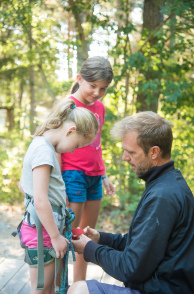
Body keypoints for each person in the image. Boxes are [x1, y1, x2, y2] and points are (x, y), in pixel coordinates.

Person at [68, 111, 194, 294]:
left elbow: (131, 269)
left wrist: (89, 249)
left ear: (154, 152)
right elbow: (140, 244)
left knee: (79, 289)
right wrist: (101, 239)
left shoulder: (163, 196)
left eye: (130, 152)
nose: (124, 157)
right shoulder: (167, 183)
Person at [17, 98, 99, 294]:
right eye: (77, 144)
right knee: (42, 290)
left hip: (43, 229)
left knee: (50, 288)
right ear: (70, 131)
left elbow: (23, 186)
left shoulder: (40, 145)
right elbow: (40, 200)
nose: (73, 150)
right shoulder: (44, 152)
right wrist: (55, 236)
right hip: (43, 234)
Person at [58, 56, 116, 282]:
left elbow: (96, 144)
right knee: (68, 236)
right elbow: (54, 146)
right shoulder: (67, 105)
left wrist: (104, 175)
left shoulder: (100, 107)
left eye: (103, 88)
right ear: (80, 79)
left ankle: (78, 286)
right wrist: (58, 183)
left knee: (85, 237)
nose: (97, 92)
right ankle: (60, 284)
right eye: (93, 86)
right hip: (72, 175)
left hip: (94, 177)